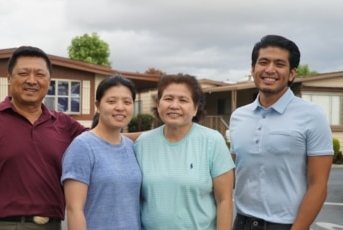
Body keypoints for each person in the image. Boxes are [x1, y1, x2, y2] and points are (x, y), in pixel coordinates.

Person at [0, 46, 89, 230]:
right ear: (9, 78)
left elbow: (103, 140)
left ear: (49, 81)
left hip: (51, 225)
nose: (31, 80)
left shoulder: (64, 124)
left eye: (40, 74)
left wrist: (142, 136)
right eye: (23, 73)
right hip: (2, 225)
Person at [230, 35, 334, 230]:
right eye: (263, 62)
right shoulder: (238, 117)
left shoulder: (312, 115)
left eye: (279, 64)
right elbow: (232, 175)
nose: (270, 69)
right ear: (253, 69)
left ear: (292, 73)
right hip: (241, 223)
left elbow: (318, 185)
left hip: (285, 225)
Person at [134, 74, 235, 230]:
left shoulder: (212, 141)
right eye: (168, 99)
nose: (174, 105)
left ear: (195, 108)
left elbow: (224, 200)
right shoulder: (142, 144)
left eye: (183, 100)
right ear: (158, 104)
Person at [61, 74, 141, 230]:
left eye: (127, 102)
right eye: (111, 101)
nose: (120, 107)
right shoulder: (82, 147)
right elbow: (74, 210)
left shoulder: (131, 147)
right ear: (97, 106)